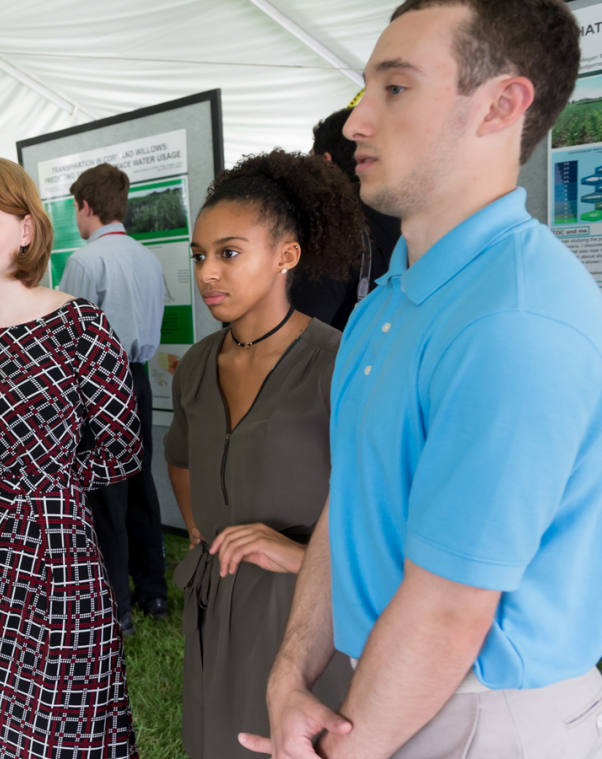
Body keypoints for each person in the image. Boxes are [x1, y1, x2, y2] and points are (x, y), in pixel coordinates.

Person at [248, 2, 602, 758]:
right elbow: (352, 499)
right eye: (366, 89)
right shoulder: (394, 296)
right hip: (395, 685)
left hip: (485, 713)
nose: (355, 123)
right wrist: (292, 673)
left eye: (395, 89)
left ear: (501, 105)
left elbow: (451, 607)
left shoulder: (512, 320)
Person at [0, 157, 141, 757]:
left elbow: (123, 449)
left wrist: (44, 484)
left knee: (71, 726)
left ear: (25, 228)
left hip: (55, 558)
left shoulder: (79, 323)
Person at [166, 150, 359, 758]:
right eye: (199, 255)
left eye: (229, 253)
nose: (207, 273)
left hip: (305, 607)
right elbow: (182, 456)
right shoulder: (197, 364)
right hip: (215, 598)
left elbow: (380, 506)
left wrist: (299, 556)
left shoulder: (340, 363)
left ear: (286, 255)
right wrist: (200, 530)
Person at [58, 162, 170, 635]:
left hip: (97, 384)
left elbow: (67, 337)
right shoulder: (147, 256)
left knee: (106, 494)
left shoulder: (85, 261)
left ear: (85, 206)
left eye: (76, 209)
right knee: (140, 481)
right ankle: (154, 590)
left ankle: (116, 606)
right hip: (137, 377)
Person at [291, 106, 405, 329]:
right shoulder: (417, 216)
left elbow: (302, 326)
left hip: (342, 359)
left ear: (325, 161)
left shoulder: (330, 223)